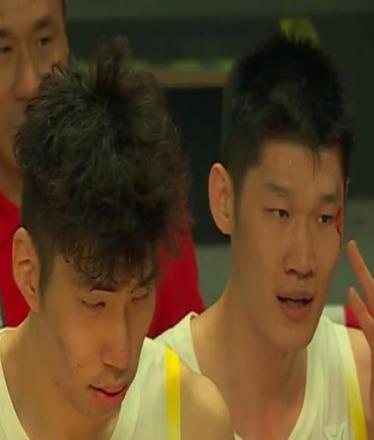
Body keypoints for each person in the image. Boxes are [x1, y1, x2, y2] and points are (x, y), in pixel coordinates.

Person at [158, 35, 374, 439]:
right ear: (224, 200)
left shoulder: (369, 380)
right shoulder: (154, 393)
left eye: (324, 217)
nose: (303, 261)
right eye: (280, 213)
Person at [0, 38, 231, 439]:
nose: (121, 355)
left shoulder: (195, 421)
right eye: (95, 304)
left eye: (139, 298)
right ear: (29, 273)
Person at [0, 0, 203, 333]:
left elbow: (177, 351)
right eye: (3, 50)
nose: (29, 83)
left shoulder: (141, 186)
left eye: (45, 41)